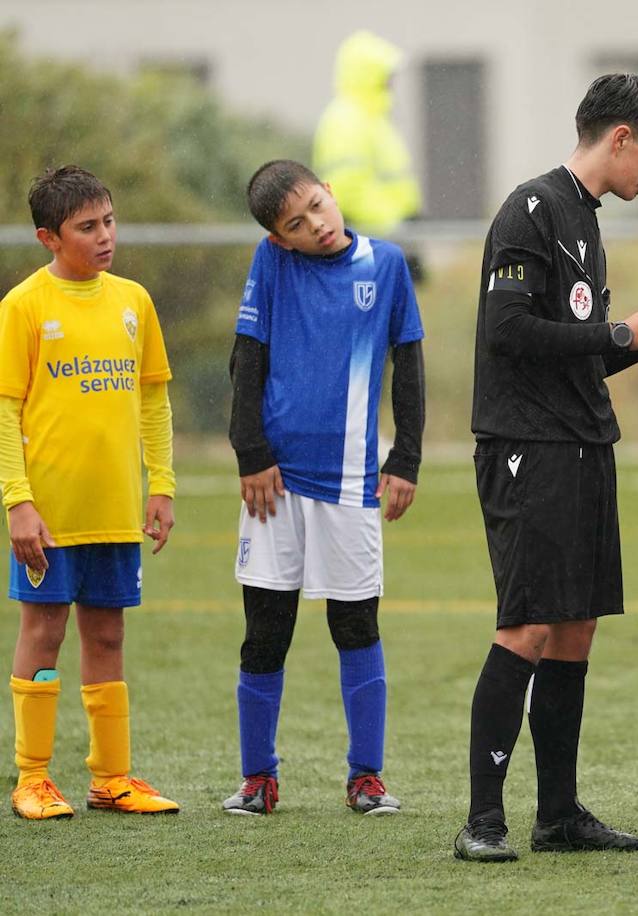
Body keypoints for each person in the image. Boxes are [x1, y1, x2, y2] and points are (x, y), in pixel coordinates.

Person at [455, 73, 638, 862]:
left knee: (575, 629)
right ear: (620, 137)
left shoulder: (586, 222)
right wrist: (618, 334)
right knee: (526, 626)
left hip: (584, 444)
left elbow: (581, 357)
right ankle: (482, 823)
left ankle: (557, 815)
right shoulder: (532, 207)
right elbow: (507, 331)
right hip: (528, 448)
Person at [222, 159, 425, 816]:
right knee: (265, 630)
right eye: (296, 223)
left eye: (316, 206)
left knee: (355, 624)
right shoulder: (271, 263)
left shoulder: (386, 264)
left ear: (331, 193)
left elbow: (409, 367)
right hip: (273, 482)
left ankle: (366, 776)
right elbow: (246, 361)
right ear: (279, 238)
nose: (316, 224)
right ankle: (259, 778)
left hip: (352, 482)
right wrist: (250, 452)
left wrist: (408, 460)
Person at [1, 165, 179, 819]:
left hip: (113, 511)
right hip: (48, 515)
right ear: (49, 236)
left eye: (109, 221)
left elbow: (153, 400)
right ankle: (33, 777)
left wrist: (160, 486)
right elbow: (4, 411)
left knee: (107, 637)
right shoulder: (23, 307)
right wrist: (17, 501)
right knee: (43, 632)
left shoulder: (133, 301)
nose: (104, 237)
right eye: (87, 227)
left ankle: (112, 778)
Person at [313, 30, 421, 240]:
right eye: (386, 74)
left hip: (388, 238)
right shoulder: (346, 120)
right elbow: (347, 190)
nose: (391, 81)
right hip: (372, 240)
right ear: (370, 74)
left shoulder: (373, 117)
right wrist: (394, 227)